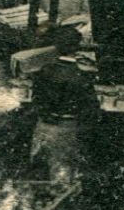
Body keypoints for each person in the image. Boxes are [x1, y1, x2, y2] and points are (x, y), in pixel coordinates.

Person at [29, 25, 99, 184]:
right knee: (63, 176)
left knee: (40, 172)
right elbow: (91, 109)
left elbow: (37, 99)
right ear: (77, 46)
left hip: (43, 127)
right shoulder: (79, 75)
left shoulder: (43, 69)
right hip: (66, 129)